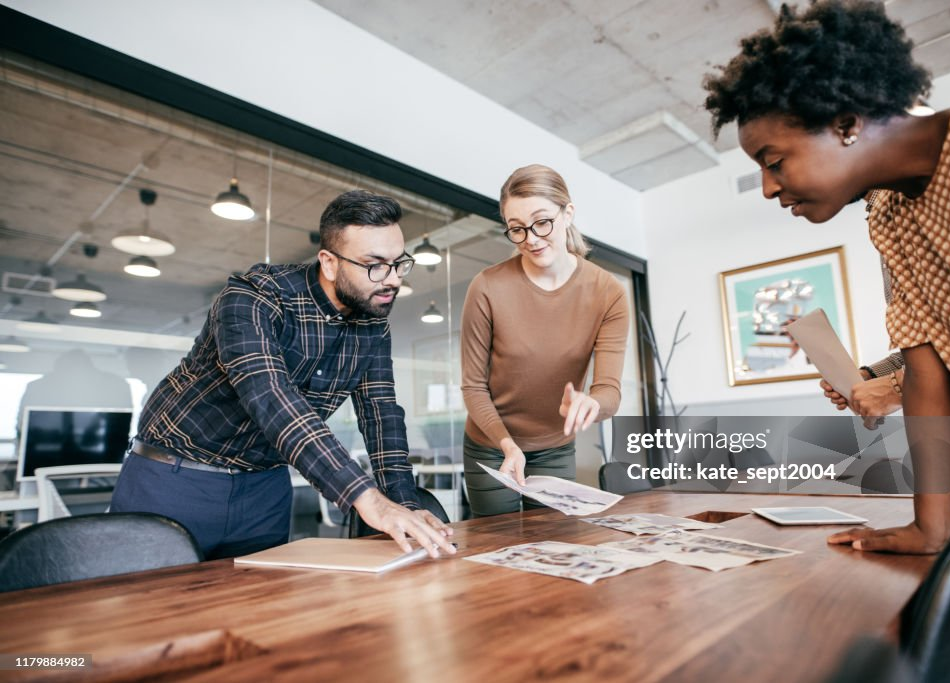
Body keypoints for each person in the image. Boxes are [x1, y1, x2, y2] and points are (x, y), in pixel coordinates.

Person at [703, 1, 950, 676]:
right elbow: (927, 367)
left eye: (773, 158)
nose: (766, 187)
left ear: (845, 124)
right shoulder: (890, 219)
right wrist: (929, 527)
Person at [111, 190, 456, 560]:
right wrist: (364, 496)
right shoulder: (253, 298)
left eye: (398, 263)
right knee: (146, 608)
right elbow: (272, 397)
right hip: (176, 478)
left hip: (265, 488)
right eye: (374, 265)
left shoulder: (372, 326)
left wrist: (403, 504)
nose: (391, 280)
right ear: (329, 262)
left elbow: (382, 417)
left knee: (261, 610)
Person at [460, 164, 629, 516]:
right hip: (492, 445)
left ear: (567, 213)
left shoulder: (607, 292)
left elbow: (609, 391)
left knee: (555, 544)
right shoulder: (488, 287)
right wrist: (506, 445)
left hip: (555, 448)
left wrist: (592, 404)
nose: (531, 239)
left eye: (542, 222)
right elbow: (474, 387)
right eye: (517, 229)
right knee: (497, 546)